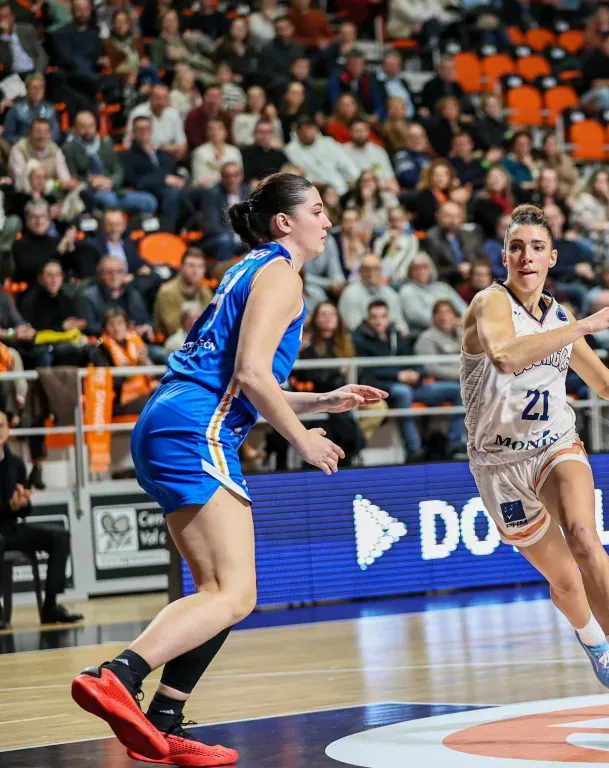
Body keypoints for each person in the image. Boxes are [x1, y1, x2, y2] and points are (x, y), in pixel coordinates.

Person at [70, 174, 386, 766]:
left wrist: (323, 400)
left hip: (173, 420)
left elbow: (237, 382)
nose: (328, 221)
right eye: (317, 210)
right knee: (236, 592)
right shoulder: (283, 275)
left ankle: (162, 720)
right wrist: (304, 440)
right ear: (283, 222)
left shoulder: (249, 267)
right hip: (196, 428)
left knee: (223, 592)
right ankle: (117, 675)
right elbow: (251, 374)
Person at [460, 204, 609, 719]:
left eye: (537, 247)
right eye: (517, 247)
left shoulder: (561, 316)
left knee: (584, 536)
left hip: (554, 445)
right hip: (498, 466)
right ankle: (592, 640)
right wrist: (586, 325)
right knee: (567, 583)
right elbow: (505, 355)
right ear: (504, 256)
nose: (527, 256)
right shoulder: (490, 302)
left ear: (552, 257)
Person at [0, 414, 82, 624]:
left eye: (0, 426)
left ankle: (51, 605)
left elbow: (22, 512)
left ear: (8, 429)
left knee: (59, 536)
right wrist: (8, 506)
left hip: (11, 528)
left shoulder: (16, 463)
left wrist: (23, 504)